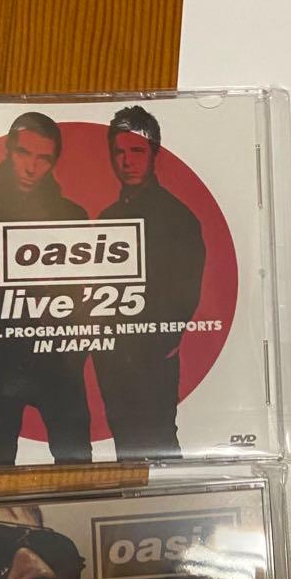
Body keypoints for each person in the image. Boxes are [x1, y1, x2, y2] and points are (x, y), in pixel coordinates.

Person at [0, 111, 92, 466]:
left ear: (53, 163)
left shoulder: (72, 216)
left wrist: (71, 355)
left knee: (78, 471)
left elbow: (87, 300)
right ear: (8, 151)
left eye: (43, 158)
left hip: (59, 368)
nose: (31, 167)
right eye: (24, 153)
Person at [94, 106, 206, 460]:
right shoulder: (108, 218)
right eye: (119, 152)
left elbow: (185, 291)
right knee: (125, 447)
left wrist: (162, 343)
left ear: (154, 153)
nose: (127, 161)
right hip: (112, 357)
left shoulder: (178, 217)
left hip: (153, 359)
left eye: (137, 151)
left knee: (159, 443)